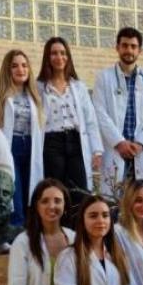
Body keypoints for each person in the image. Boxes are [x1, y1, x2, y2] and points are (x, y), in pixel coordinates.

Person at [36, 37, 104, 205]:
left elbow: (90, 120)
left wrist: (97, 150)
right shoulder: (39, 87)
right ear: (47, 57)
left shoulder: (78, 86)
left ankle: (77, 229)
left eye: (63, 53)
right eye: (54, 53)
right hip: (52, 144)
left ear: (68, 57)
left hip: (76, 141)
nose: (59, 57)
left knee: (80, 190)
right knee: (55, 190)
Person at [92, 27, 143, 191]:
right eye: (124, 45)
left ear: (139, 50)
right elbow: (100, 113)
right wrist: (119, 142)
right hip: (115, 150)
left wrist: (140, 144)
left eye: (133, 46)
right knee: (114, 204)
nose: (128, 50)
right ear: (117, 48)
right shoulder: (104, 78)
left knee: (142, 203)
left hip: (141, 152)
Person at [0, 49, 45, 226]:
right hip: (10, 146)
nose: (20, 70)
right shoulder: (0, 95)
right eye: (14, 66)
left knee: (30, 194)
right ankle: (16, 236)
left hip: (30, 146)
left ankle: (30, 236)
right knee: (15, 195)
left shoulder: (34, 95)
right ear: (8, 70)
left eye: (24, 65)